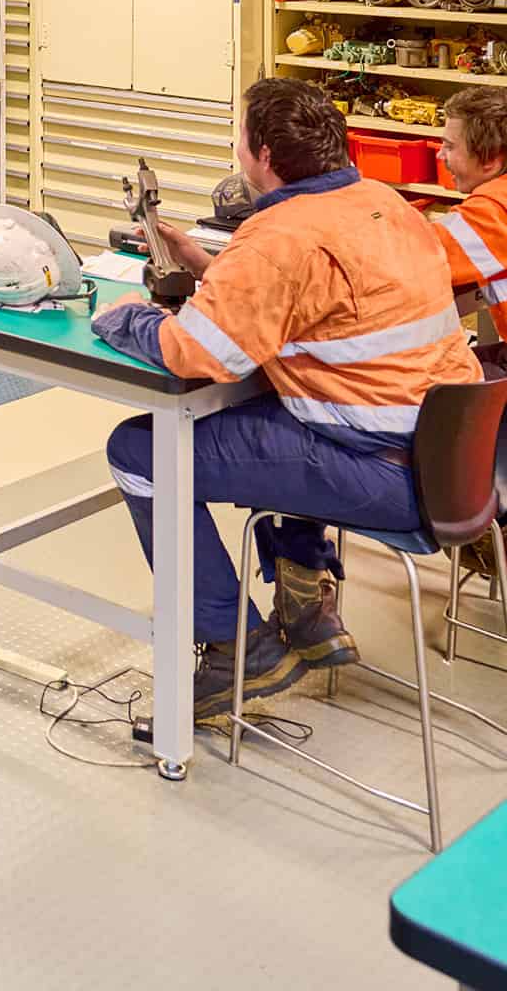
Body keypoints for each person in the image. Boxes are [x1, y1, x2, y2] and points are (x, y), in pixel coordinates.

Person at [92, 78, 480, 721]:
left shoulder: (277, 235)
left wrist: (126, 318)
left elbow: (197, 353)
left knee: (140, 451)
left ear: (265, 154)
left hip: (382, 474)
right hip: (453, 465)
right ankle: (307, 608)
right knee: (269, 414)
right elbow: (322, 298)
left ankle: (235, 648)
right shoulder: (387, 203)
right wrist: (213, 268)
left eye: (241, 138)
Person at [430, 85, 507, 375]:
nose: (441, 155)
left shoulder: (491, 212)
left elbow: (414, 256)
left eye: (450, 146)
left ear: (490, 160)